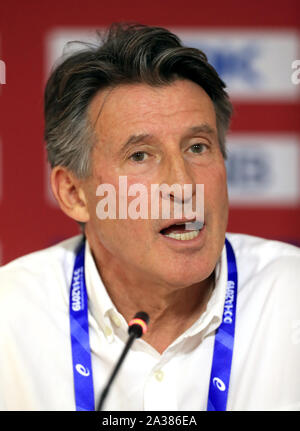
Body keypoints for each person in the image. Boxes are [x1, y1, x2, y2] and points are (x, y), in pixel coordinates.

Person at [0, 22, 299, 412]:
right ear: (74, 194)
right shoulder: (11, 314)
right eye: (140, 155)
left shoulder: (290, 297)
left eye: (197, 147)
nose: (182, 184)